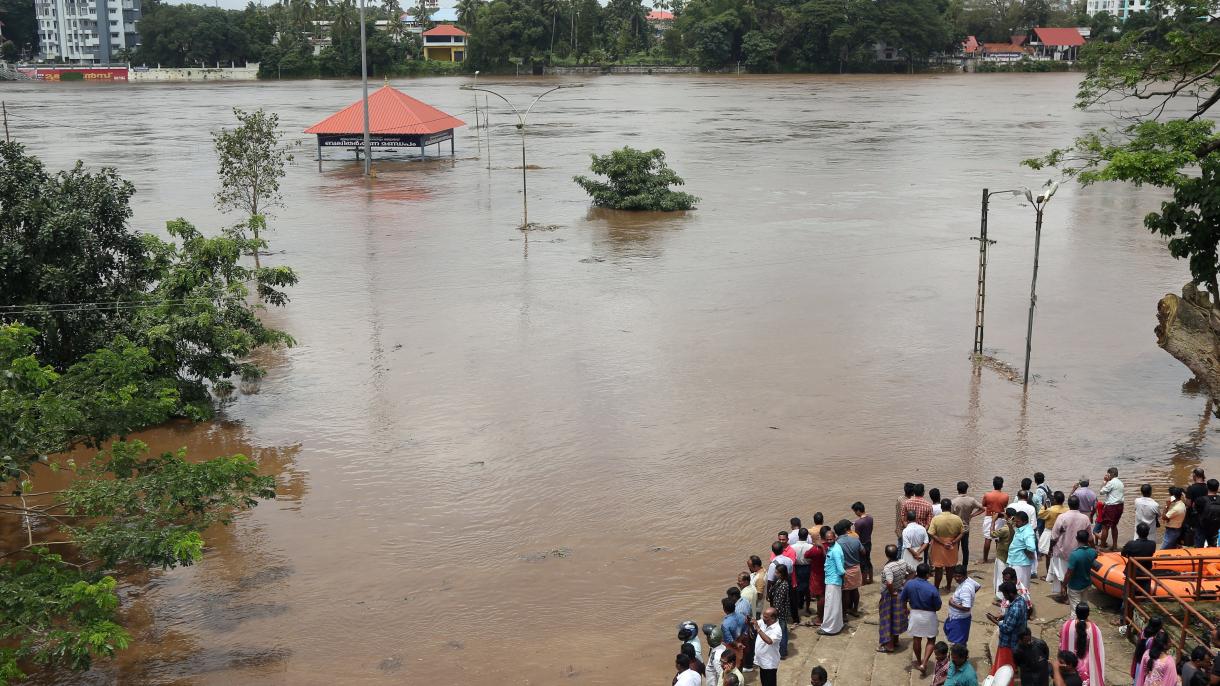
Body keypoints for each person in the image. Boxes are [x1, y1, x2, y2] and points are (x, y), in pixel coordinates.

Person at [900, 563, 943, 677]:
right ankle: (924, 663)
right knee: (931, 639)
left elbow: (902, 599)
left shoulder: (909, 584)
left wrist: (905, 609)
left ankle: (919, 661)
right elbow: (938, 606)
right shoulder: (932, 588)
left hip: (915, 614)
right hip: (929, 615)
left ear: (917, 573)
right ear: (928, 575)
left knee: (917, 639)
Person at [1118, 522, 1157, 627]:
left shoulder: (1131, 544)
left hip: (1133, 572)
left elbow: (1123, 554)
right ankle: (1143, 620)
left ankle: (1123, 620)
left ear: (1137, 532)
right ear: (1148, 533)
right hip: (1145, 572)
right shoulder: (1152, 544)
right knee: (1144, 597)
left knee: (1126, 597)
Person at [1051, 495, 1093, 589]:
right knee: (1077, 572)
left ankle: (1064, 593)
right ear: (1079, 505)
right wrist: (1093, 549)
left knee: (1063, 573)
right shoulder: (1085, 518)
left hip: (1063, 550)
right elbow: (1090, 538)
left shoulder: (1062, 517)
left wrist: (1050, 548)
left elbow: (1054, 536)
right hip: (1080, 551)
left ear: (1068, 505)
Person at [1059, 603, 1105, 686]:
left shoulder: (1067, 625)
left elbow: (1061, 645)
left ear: (1076, 613)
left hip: (1071, 662)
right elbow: (1099, 651)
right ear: (1088, 614)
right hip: (1087, 665)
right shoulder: (1094, 629)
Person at [988, 581, 1028, 678]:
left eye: (1005, 594)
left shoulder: (1015, 608)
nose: (1004, 597)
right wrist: (1004, 616)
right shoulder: (1021, 600)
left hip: (1009, 643)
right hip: (1015, 640)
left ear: (1010, 593)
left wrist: (995, 621)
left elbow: (1007, 628)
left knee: (1004, 672)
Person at [878, 543, 910, 654]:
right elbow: (913, 571)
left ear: (886, 555)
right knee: (896, 618)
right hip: (900, 594)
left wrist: (892, 593)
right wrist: (905, 582)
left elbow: (889, 582)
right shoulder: (902, 562)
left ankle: (889, 646)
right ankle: (895, 641)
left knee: (887, 620)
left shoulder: (888, 567)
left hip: (889, 596)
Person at [928, 500, 965, 591]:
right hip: (952, 546)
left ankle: (936, 588)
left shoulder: (936, 519)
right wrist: (954, 541)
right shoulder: (957, 518)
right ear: (950, 507)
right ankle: (948, 587)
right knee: (950, 568)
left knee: (938, 569)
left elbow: (931, 533)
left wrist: (942, 542)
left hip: (939, 546)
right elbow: (962, 533)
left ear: (941, 508)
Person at [944, 564, 980, 645]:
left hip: (959, 620)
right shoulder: (969, 580)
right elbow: (978, 586)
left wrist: (952, 604)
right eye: (955, 576)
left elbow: (967, 607)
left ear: (965, 575)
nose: (957, 578)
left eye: (959, 576)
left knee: (956, 644)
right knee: (960, 642)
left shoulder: (965, 589)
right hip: (960, 618)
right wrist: (970, 597)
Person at [820, 526, 845, 636]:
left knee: (830, 606)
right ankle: (838, 625)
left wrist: (841, 579)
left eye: (831, 539)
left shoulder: (835, 550)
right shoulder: (835, 547)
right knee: (836, 605)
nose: (829, 541)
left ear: (835, 538)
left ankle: (829, 628)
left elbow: (841, 570)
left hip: (833, 581)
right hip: (833, 580)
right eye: (827, 539)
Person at [835, 520, 863, 617]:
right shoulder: (855, 539)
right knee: (855, 590)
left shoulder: (837, 543)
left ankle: (844, 614)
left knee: (845, 592)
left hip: (845, 570)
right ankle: (855, 610)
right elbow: (863, 552)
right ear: (845, 530)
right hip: (856, 568)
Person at [1041, 491, 1070, 584]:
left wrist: (1044, 505)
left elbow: (1040, 514)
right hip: (1063, 534)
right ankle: (1060, 574)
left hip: (1050, 532)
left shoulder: (1050, 510)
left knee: (1048, 555)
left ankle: (1049, 575)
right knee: (1060, 556)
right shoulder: (1067, 510)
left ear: (1055, 500)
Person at [1062, 530, 1097, 608]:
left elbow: (1069, 573)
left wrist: (1063, 585)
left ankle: (1076, 620)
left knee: (1075, 609)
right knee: (1084, 606)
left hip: (1075, 586)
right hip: (1086, 583)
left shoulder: (1074, 555)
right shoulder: (1093, 552)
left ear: (1076, 539)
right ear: (1088, 539)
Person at [951, 482, 984, 563]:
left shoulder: (953, 502)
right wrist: (972, 515)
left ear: (957, 489)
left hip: (955, 529)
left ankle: (954, 566)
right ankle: (965, 567)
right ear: (966, 489)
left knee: (955, 549)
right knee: (965, 549)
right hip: (966, 528)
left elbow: (950, 515)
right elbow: (982, 509)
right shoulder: (971, 500)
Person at [750, 609, 783, 686]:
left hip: (769, 664)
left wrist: (758, 628)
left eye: (765, 617)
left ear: (772, 618)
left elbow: (769, 641)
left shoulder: (777, 630)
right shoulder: (764, 622)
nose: (763, 618)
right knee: (764, 683)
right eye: (763, 616)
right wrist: (750, 621)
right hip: (762, 661)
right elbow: (755, 624)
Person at [981, 476, 1011, 564]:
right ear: (1002, 485)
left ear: (993, 484)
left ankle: (985, 559)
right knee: (999, 539)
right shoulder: (1005, 496)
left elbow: (984, 504)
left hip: (989, 516)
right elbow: (1005, 506)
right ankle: (999, 558)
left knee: (988, 538)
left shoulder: (987, 495)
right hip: (1000, 517)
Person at [789, 528, 815, 623]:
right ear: (807, 536)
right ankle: (807, 608)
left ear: (798, 536)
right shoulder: (811, 547)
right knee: (807, 589)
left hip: (796, 568)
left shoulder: (792, 547)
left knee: (796, 588)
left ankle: (799, 605)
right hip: (808, 568)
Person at [1007, 510, 1038, 589]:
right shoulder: (1020, 528)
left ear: (1024, 522)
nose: (1016, 523)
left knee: (1021, 587)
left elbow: (1032, 547)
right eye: (1015, 521)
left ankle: (1023, 601)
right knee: (1014, 586)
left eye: (1018, 521)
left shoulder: (1028, 532)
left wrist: (1024, 551)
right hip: (1015, 560)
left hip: (1021, 563)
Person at [767, 563, 792, 658]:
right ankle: (781, 650)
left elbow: (780, 602)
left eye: (777, 572)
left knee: (782, 632)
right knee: (781, 631)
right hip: (778, 611)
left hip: (780, 613)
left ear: (781, 574)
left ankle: (782, 652)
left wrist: (774, 613)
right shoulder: (779, 581)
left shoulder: (784, 585)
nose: (775, 574)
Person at [1097, 467, 1125, 550]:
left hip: (1111, 507)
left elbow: (1101, 492)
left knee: (1105, 526)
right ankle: (1115, 546)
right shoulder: (1121, 483)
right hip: (1120, 506)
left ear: (1111, 474)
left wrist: (1105, 481)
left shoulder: (1111, 483)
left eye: (1108, 474)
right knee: (1114, 526)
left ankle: (1102, 547)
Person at [803, 530, 827, 625]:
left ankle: (820, 618)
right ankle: (823, 615)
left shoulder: (816, 549)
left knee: (820, 596)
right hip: (827, 574)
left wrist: (815, 545)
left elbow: (806, 555)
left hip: (817, 575)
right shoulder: (831, 546)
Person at [989, 508, 1014, 599]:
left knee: (1000, 576)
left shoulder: (1005, 529)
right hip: (1011, 555)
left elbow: (992, 534)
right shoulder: (1015, 526)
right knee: (1009, 575)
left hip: (1002, 555)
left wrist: (993, 521)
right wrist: (1004, 515)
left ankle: (1000, 597)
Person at [852, 502, 875, 585]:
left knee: (862, 564)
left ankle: (864, 582)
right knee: (868, 561)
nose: (855, 513)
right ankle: (871, 579)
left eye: (855, 511)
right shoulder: (870, 518)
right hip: (869, 542)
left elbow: (856, 536)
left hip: (862, 544)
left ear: (858, 511)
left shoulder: (859, 523)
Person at [1184, 468, 1208, 546]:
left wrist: (1184, 497)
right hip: (1206, 513)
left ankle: (1195, 547)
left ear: (1194, 475)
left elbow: (1188, 504)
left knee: (1195, 533)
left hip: (1194, 515)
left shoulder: (1191, 488)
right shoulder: (1208, 487)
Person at [1196, 478, 1220, 548]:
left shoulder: (1200, 500)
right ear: (1217, 488)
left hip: (1202, 527)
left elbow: (1196, 511)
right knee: (1213, 546)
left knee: (1199, 546)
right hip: (1216, 527)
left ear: (1207, 487)